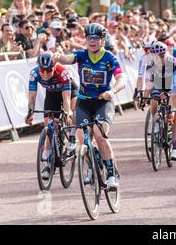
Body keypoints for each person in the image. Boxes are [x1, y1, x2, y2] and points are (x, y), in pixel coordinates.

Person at [53, 23, 125, 189]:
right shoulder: (81, 55)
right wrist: (59, 56)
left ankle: (112, 173)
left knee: (99, 136)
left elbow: (121, 79)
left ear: (102, 40)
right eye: (89, 38)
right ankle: (92, 166)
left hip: (103, 102)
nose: (92, 41)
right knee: (83, 141)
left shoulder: (109, 58)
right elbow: (67, 59)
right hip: (84, 102)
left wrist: (113, 91)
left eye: (96, 38)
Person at [25, 52, 78, 179]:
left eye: (48, 70)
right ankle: (49, 162)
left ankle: (71, 136)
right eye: (42, 70)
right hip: (52, 94)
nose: (44, 74)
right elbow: (32, 97)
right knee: (48, 126)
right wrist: (30, 112)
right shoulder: (34, 74)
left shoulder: (63, 72)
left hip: (68, 92)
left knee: (73, 110)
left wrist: (68, 113)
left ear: (54, 67)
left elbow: (66, 98)